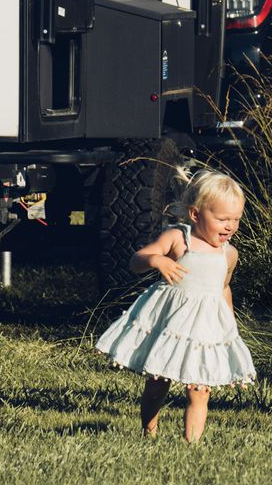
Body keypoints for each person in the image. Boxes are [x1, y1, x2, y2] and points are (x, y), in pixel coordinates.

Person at [95, 168, 257, 442]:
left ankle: (190, 444)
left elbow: (223, 288)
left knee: (199, 389)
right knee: (157, 382)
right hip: (171, 324)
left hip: (204, 328)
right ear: (196, 214)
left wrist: (229, 323)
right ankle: (149, 430)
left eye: (235, 220)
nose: (229, 226)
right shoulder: (178, 239)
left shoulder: (228, 254)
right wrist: (156, 260)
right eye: (221, 219)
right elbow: (137, 260)